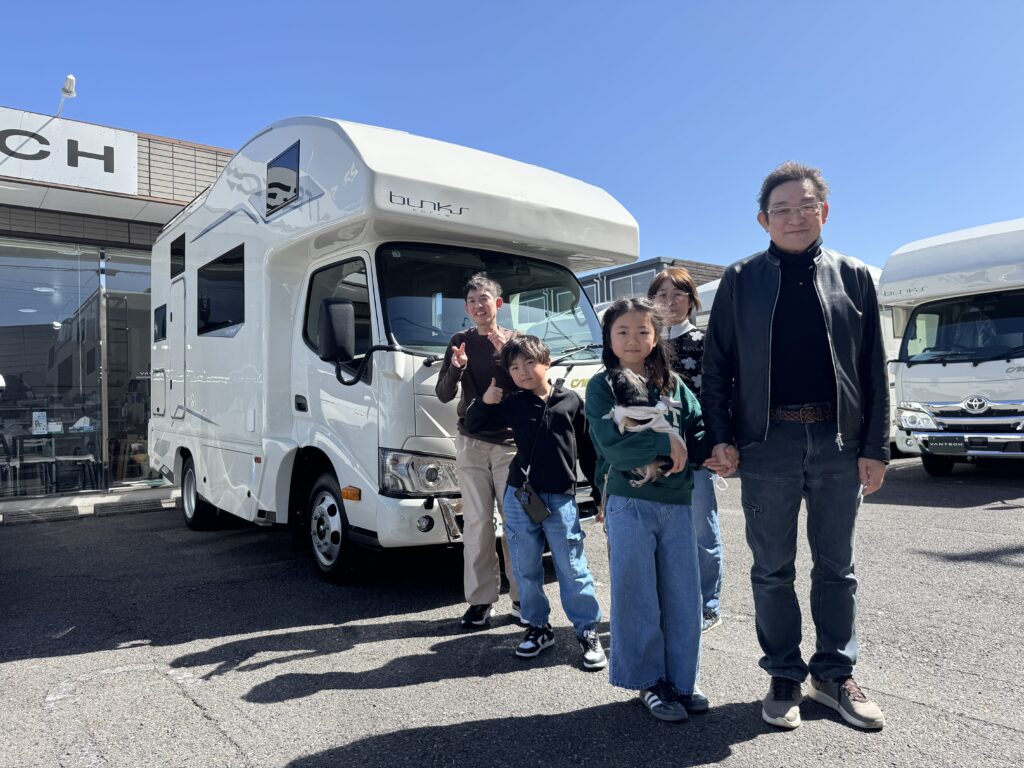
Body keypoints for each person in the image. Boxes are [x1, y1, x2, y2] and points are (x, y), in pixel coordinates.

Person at [702, 161, 890, 731]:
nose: (794, 217)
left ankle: (833, 675)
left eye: (806, 206)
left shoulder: (854, 276)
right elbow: (717, 366)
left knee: (837, 567)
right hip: (768, 443)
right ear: (763, 220)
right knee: (771, 568)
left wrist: (875, 445)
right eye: (781, 209)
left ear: (823, 211)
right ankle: (783, 673)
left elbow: (873, 368)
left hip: (839, 441)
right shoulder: (740, 280)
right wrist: (720, 437)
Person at [585, 297, 736, 723]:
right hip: (629, 503)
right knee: (637, 597)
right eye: (622, 331)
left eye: (643, 331)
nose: (633, 339)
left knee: (684, 596)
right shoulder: (601, 386)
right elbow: (611, 446)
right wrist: (663, 441)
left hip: (678, 504)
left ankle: (683, 680)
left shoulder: (674, 385)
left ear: (656, 337)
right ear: (609, 338)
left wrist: (716, 451)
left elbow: (698, 427)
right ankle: (649, 682)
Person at [465, 335, 606, 670]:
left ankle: (587, 630)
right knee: (525, 566)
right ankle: (537, 627)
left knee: (572, 567)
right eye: (515, 367)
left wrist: (600, 493)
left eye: (530, 362)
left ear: (547, 361)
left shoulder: (570, 401)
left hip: (561, 497)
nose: (523, 371)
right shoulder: (513, 402)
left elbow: (588, 450)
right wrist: (484, 402)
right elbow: (473, 424)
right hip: (520, 495)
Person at [436, 273, 522, 628]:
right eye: (471, 301)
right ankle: (481, 601)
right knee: (476, 524)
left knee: (516, 522)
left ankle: (523, 598)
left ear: (497, 303)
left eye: (483, 299)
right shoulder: (460, 342)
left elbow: (531, 386)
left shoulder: (517, 340)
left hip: (510, 444)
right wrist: (457, 368)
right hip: (471, 441)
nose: (477, 306)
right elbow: (443, 393)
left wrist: (505, 355)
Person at [649, 267, 725, 632]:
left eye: (678, 294)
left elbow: (718, 397)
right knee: (661, 533)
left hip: (696, 450)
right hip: (652, 452)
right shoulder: (644, 342)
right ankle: (670, 602)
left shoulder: (704, 341)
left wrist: (720, 442)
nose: (669, 302)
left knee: (701, 532)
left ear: (692, 300)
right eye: (661, 295)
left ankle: (708, 604)